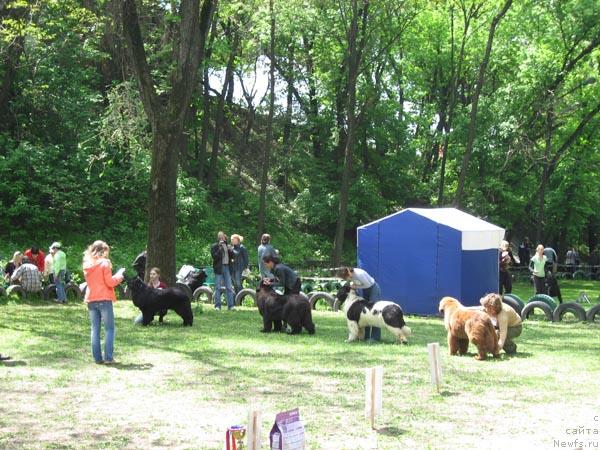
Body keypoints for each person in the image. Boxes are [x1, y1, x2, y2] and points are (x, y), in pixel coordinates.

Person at [83, 240, 125, 364]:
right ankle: (108, 357)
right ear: (103, 251)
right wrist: (119, 276)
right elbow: (110, 282)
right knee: (109, 329)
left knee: (94, 329)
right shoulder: (105, 263)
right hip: (104, 299)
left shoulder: (87, 264)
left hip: (91, 299)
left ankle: (97, 358)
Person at [337, 266, 382, 341]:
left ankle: (375, 337)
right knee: (366, 314)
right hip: (365, 290)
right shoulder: (351, 276)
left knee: (374, 312)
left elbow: (367, 284)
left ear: (348, 272)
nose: (347, 279)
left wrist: (356, 286)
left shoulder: (359, 274)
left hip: (373, 289)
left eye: (346, 277)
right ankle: (366, 336)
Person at [210, 231, 235, 310]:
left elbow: (233, 256)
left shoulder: (228, 246)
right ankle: (217, 306)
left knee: (229, 287)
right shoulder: (214, 246)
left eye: (223, 237)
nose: (222, 239)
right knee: (217, 288)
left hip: (227, 267)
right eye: (220, 238)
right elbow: (214, 257)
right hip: (219, 268)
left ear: (225, 237)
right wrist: (220, 249)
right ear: (218, 238)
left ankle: (230, 306)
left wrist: (230, 250)